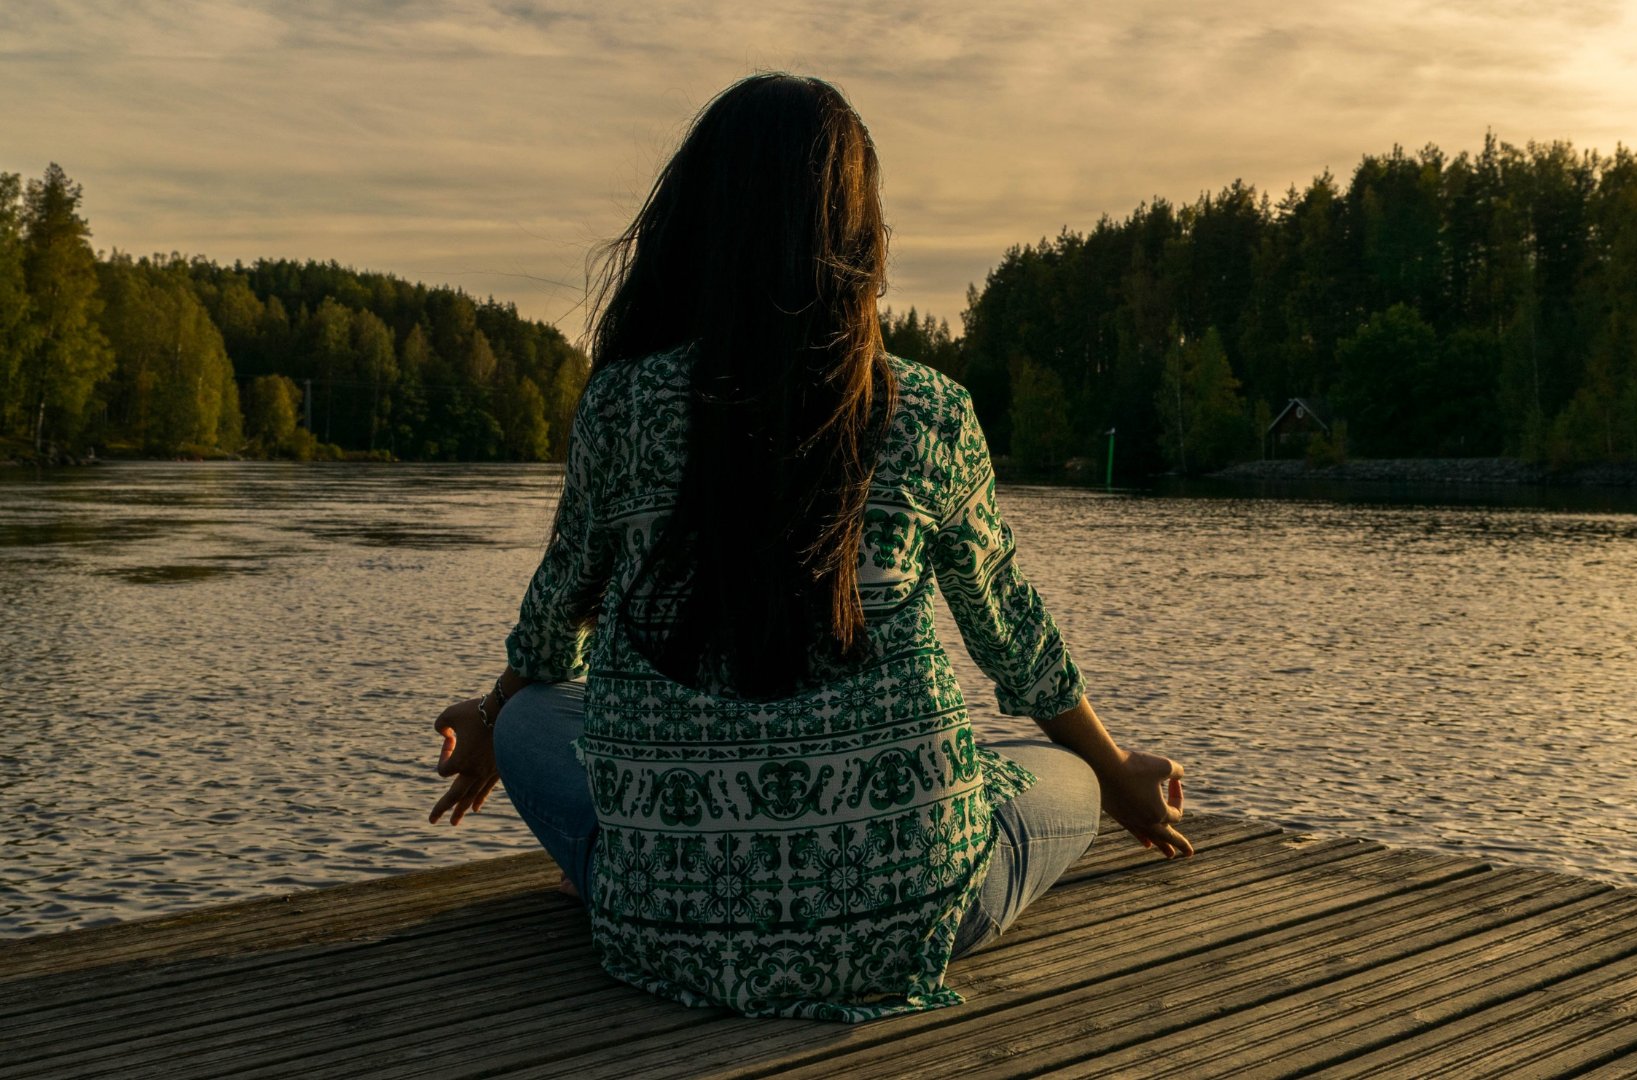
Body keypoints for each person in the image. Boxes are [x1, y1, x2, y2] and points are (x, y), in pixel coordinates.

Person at [426, 72, 1192, 1023]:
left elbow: (552, 625)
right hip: (910, 917)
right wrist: (1119, 775)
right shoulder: (931, 411)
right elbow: (1014, 639)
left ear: (697, 224)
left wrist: (497, 713)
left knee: (541, 712)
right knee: (1066, 774)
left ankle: (655, 872)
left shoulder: (622, 405)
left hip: (664, 929)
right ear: (861, 240)